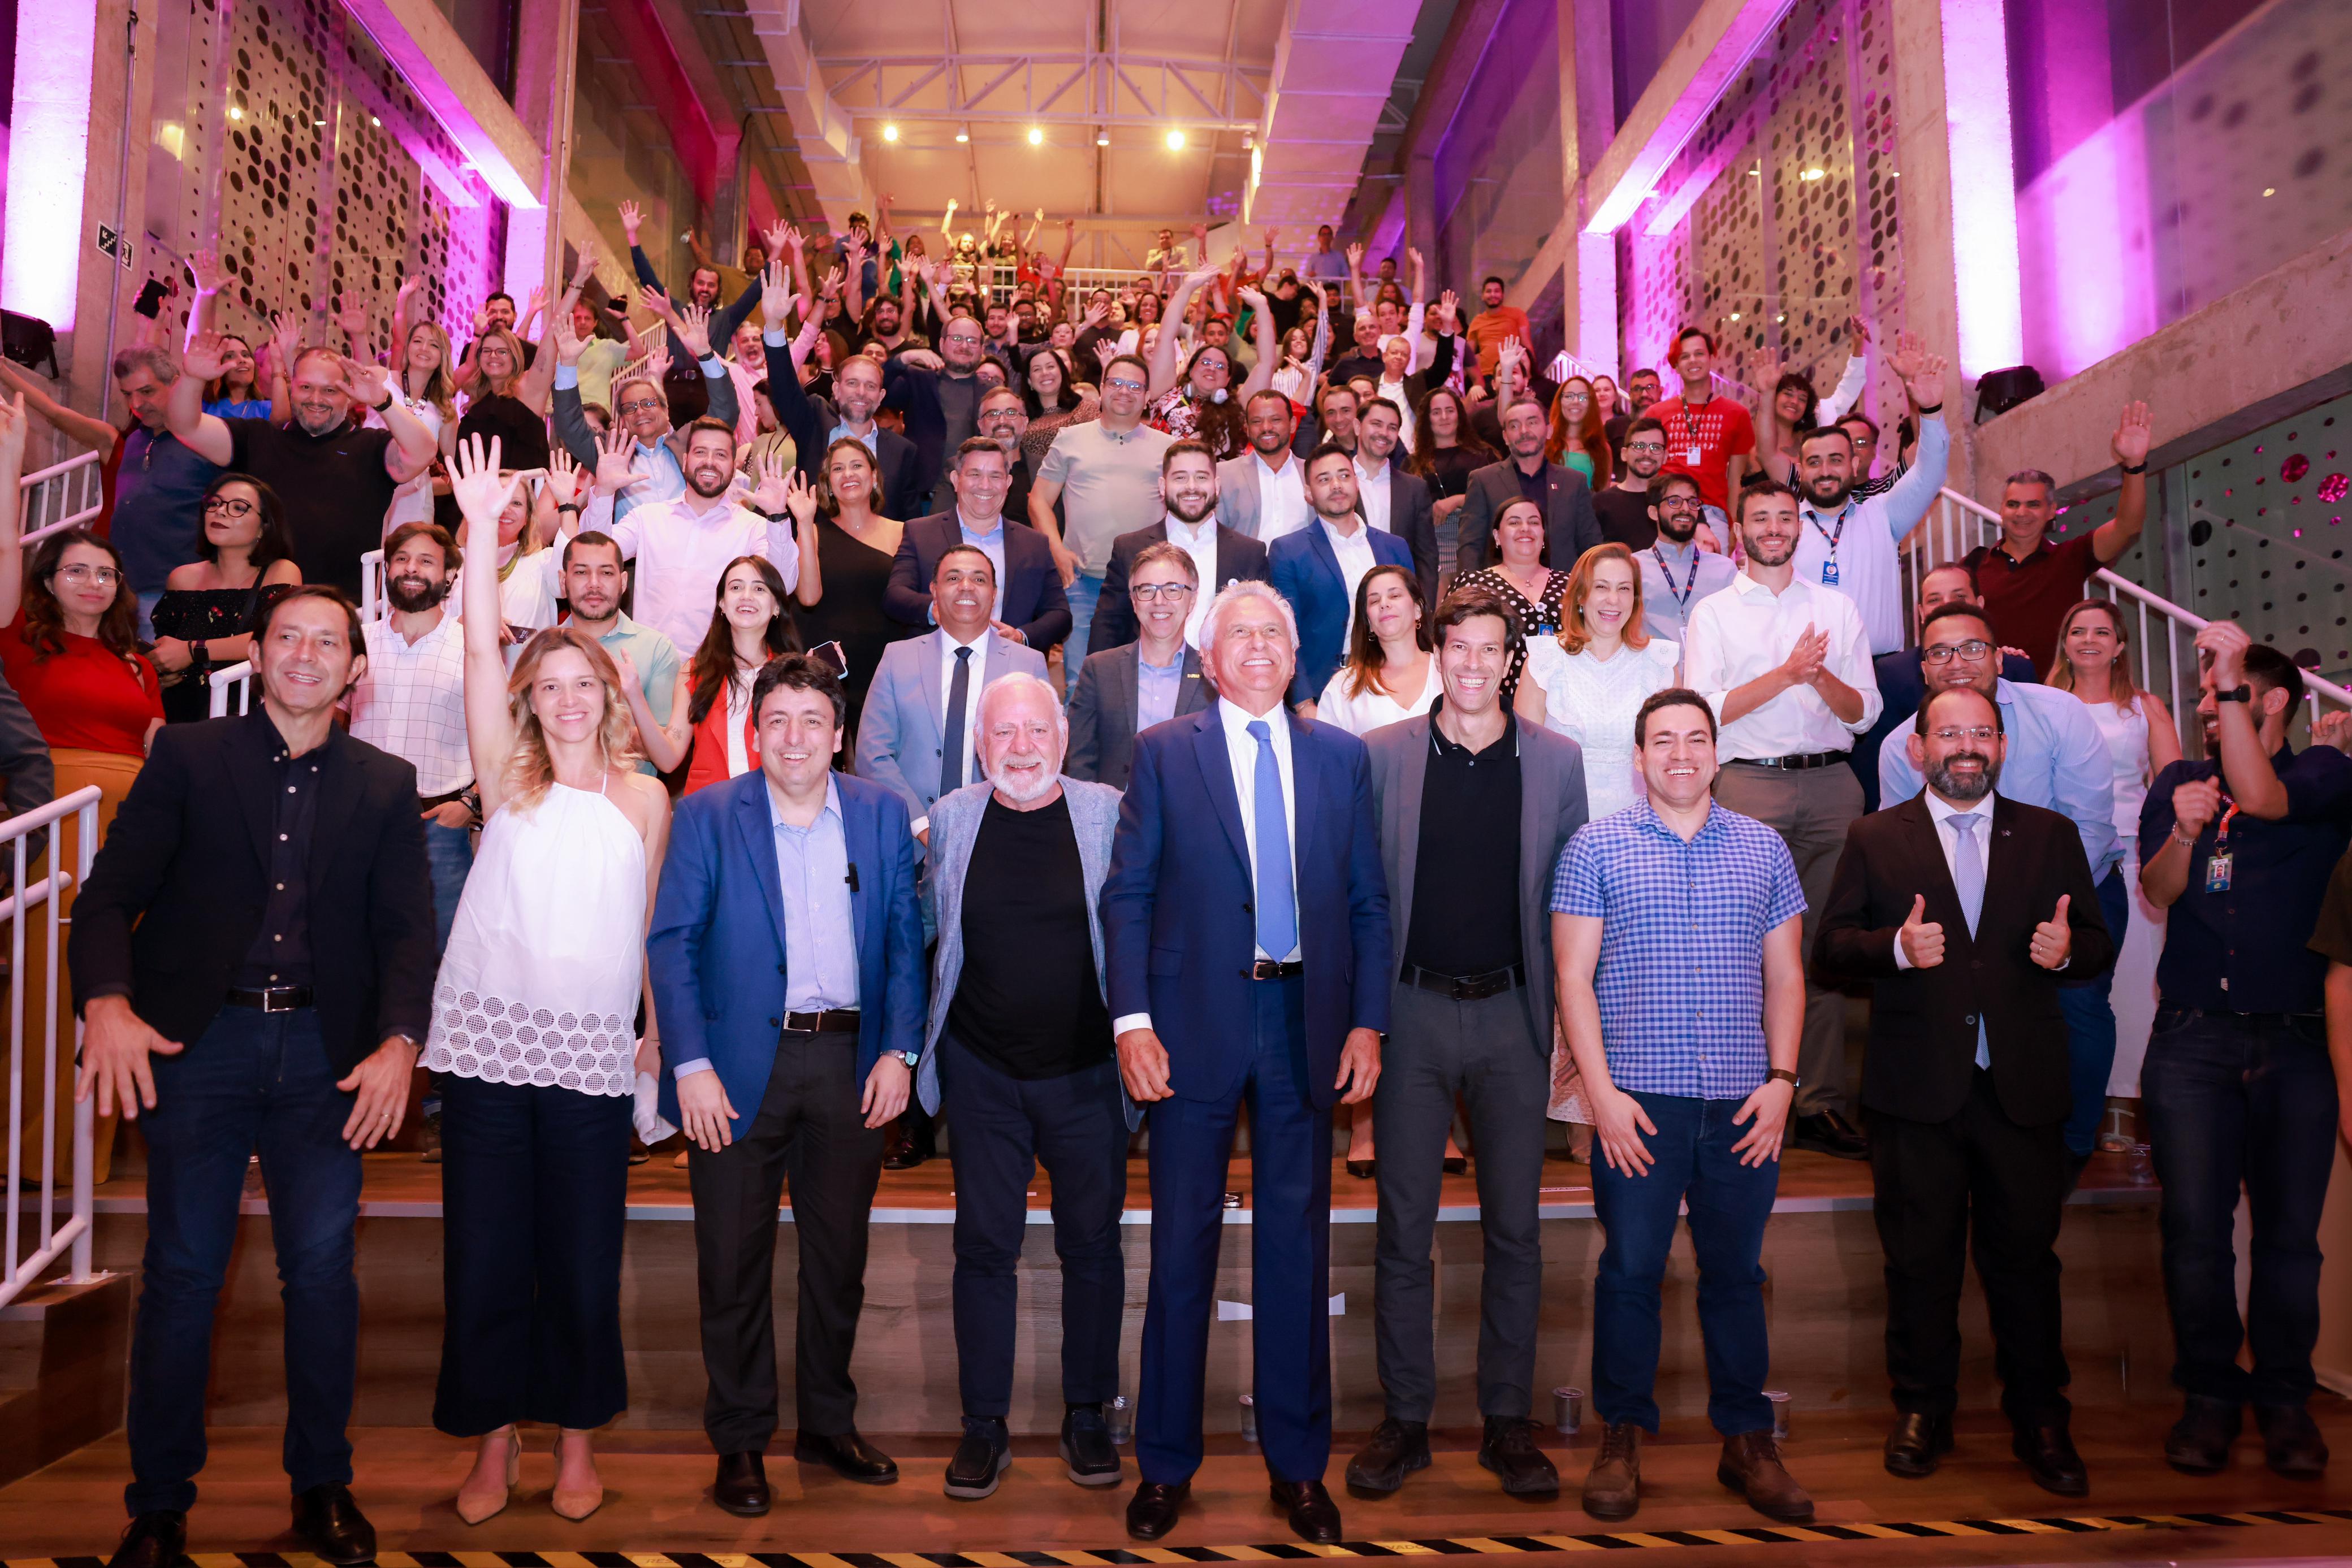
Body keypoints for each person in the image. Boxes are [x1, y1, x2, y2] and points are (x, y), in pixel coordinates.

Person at [70, 587, 435, 1568]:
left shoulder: (387, 781)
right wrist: (106, 999)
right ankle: (157, 1504)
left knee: (321, 1274)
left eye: (329, 641)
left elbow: (409, 932)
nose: (308, 654)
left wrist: (402, 1040)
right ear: (260, 655)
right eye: (289, 637)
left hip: (329, 1061)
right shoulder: (188, 757)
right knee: (183, 1275)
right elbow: (108, 898)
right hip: (200, 1049)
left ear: (357, 671)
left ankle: (323, 1484)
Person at [1104, 580, 1390, 1546]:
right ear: (1209, 656)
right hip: (1188, 1026)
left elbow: (1367, 903)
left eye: (1273, 631)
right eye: (1240, 634)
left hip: (1305, 1019)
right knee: (1181, 1248)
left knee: (1295, 1250)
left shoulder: (1341, 758)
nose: (1258, 645)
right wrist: (1132, 1020)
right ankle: (1166, 1465)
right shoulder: (1162, 753)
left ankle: (1299, 1464)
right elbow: (1129, 896)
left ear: (1294, 650)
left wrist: (1368, 1024)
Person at [421, 436, 671, 1525]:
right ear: (532, 698)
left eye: (586, 681)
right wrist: (481, 528)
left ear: (610, 691)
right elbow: (479, 649)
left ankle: (574, 1444)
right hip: (485, 1046)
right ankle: (491, 1446)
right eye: (551, 683)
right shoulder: (504, 768)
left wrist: (654, 1034)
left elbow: (652, 925)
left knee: (579, 1255)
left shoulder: (646, 795)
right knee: (484, 1251)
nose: (568, 697)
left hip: (588, 1056)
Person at [1814, 683, 2115, 1497]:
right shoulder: (1876, 836)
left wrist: (2068, 952)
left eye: (1982, 732)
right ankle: (1922, 1409)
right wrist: (1897, 950)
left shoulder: (2050, 835)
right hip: (1916, 1092)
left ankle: (2041, 1418)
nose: (1967, 747)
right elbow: (1831, 950)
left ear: (2003, 745)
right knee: (1919, 1262)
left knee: (2027, 1263)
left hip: (2022, 1089)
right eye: (1950, 733)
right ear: (1919, 746)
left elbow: (2095, 943)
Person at [648, 653, 926, 1515]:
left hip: (849, 1064)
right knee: (731, 1264)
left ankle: (826, 1425)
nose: (796, 737)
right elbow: (672, 943)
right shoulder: (706, 814)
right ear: (752, 731)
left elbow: (905, 938)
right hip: (732, 1075)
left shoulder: (883, 814)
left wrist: (901, 1052)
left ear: (839, 735)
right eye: (778, 721)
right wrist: (687, 1064)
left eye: (813, 720)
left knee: (838, 1261)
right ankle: (739, 1440)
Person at [1347, 587, 1588, 1501]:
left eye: (1493, 648)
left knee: (1514, 1229)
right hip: (1411, 1015)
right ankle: (1404, 1420)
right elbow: (1364, 896)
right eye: (1460, 647)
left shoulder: (1559, 764)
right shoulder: (1382, 757)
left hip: (1512, 1017)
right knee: (1403, 1227)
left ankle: (1507, 1421)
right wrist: (1363, 1016)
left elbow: (1571, 907)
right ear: (1437, 653)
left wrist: (1570, 1024)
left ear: (1510, 660)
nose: (1475, 663)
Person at [1553, 687, 1810, 1524]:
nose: (1680, 754)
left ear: (1716, 751)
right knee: (1630, 1272)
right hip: (1639, 1104)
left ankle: (1747, 1440)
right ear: (1639, 756)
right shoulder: (1594, 846)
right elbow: (1571, 982)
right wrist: (1602, 1099)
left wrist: (1782, 1081)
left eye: (1696, 739)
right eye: (1662, 740)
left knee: (1737, 1273)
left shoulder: (1765, 848)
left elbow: (1787, 976)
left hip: (1743, 1100)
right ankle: (1622, 1435)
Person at [2139, 623, 2346, 1480]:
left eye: (2224, 693)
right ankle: (2211, 1396)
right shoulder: (2182, 783)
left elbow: (2260, 799)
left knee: (2291, 1239)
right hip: (2193, 1039)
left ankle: (2287, 1399)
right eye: (2204, 697)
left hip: (2296, 1043)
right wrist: (2183, 833)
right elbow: (2156, 892)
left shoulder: (2326, 773)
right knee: (2196, 1232)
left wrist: (2229, 674)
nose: (2208, 711)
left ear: (2272, 701)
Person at [916, 674, 1130, 1500]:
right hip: (982, 1071)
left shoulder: (1107, 811)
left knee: (1093, 1248)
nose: (1020, 747)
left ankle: (1086, 1411)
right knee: (983, 1248)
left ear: (1062, 737)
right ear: (981, 744)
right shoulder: (953, 816)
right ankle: (984, 1424)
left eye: (1034, 731)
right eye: (1002, 733)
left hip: (1085, 1072)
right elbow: (925, 929)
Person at [1878, 603, 2120, 1160]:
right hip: (1957, 900)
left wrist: (2017, 910)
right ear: (1922, 668)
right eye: (1938, 651)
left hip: (2071, 891)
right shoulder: (1901, 746)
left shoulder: (2057, 713)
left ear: (1997, 656)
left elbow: (2088, 826)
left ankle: (2072, 1146)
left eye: (1971, 648)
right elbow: (1901, 844)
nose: (1956, 662)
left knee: (2078, 1008)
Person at [1683, 482, 1880, 1160]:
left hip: (1830, 784)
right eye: (1760, 517)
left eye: (1784, 516)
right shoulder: (1712, 613)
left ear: (1800, 526)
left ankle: (1818, 1101)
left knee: (1822, 946)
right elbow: (1703, 711)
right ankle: (1742, 1092)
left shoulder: (1835, 605)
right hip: (1745, 784)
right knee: (1740, 949)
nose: (1774, 527)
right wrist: (1788, 671)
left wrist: (1817, 676)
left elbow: (1864, 712)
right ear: (1738, 530)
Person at [0, 513, 166, 1188]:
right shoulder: (20, 641)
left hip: (130, 823)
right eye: (76, 570)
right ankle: (28, 1152)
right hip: (58, 817)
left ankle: (83, 1154)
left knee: (112, 982)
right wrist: (11, 461)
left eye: (105, 572)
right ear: (46, 581)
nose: (94, 582)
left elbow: (150, 736)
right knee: (50, 981)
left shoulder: (134, 661)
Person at [170, 336, 439, 597]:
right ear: (292, 386)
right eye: (306, 388)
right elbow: (186, 426)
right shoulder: (257, 438)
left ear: (349, 395)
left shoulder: (372, 447)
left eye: (330, 390)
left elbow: (424, 452)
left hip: (340, 615)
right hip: (261, 614)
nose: (316, 399)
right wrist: (192, 379)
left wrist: (383, 401)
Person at [2048, 599, 2179, 1126]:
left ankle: (2124, 1103)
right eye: (2077, 630)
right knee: (2074, 983)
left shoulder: (2145, 707)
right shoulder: (2045, 702)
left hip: (2132, 854)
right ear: (2065, 642)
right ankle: (2071, 1096)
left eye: (2102, 632)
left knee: (2133, 978)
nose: (2088, 640)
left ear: (2120, 645)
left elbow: (2170, 783)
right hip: (2060, 855)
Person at [855, 546, 1050, 840]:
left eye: (980, 579)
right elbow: (873, 754)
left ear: (994, 594)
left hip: (1000, 837)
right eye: (953, 578)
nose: (967, 587)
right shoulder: (898, 658)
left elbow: (1041, 754)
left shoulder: (1028, 663)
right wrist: (921, 826)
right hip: (910, 841)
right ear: (934, 590)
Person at [348, 522, 473, 951]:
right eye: (401, 559)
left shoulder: (474, 646)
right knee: (352, 949)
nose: (411, 568)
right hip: (356, 822)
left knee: (439, 955)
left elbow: (507, 737)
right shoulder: (356, 644)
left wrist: (469, 804)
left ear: (449, 576)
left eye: (425, 560)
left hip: (439, 828)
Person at [1783, 339, 1951, 655]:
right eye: (1814, 462)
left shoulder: (1884, 513)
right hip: (1807, 675)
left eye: (1836, 459)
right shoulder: (1784, 530)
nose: (1825, 471)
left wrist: (1930, 411)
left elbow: (1931, 472)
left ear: (1855, 464)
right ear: (1801, 471)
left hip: (1882, 670)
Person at [581, 418, 801, 653]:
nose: (709, 462)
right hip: (647, 665)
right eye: (700, 452)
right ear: (685, 460)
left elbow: (784, 584)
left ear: (732, 466)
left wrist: (777, 516)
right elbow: (592, 555)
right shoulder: (647, 518)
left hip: (715, 672)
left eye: (720, 455)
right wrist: (604, 491)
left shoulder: (753, 527)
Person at [1967, 404, 2154, 675]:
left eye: (2033, 504)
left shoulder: (2070, 558)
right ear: (2001, 509)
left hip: (2058, 694)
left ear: (2051, 511)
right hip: (1995, 695)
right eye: (2013, 504)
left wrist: (2135, 465)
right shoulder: (1974, 564)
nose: (2021, 513)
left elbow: (2128, 526)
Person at [1853, 563, 2039, 812]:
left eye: (1959, 596)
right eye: (1934, 599)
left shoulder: (2040, 699)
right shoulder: (1898, 735)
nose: (1957, 665)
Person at [1030, 354, 1177, 667]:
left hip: (1152, 589)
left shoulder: (1168, 448)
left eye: (1135, 386)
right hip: (1085, 582)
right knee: (1080, 683)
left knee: (1151, 680)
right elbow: (1039, 500)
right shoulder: (1070, 439)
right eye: (1117, 383)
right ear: (1101, 388)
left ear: (1147, 396)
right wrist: (1056, 549)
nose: (1125, 391)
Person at [1520, 544, 1681, 821]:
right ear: (1581, 595)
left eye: (1624, 589)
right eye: (1602, 587)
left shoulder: (1661, 664)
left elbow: (1676, 755)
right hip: (1561, 821)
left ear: (1635, 598)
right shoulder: (1544, 661)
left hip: (1643, 827)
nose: (1614, 601)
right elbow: (1525, 759)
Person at [553, 310, 742, 525]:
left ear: (665, 409)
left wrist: (705, 354)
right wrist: (567, 365)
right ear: (622, 419)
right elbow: (570, 426)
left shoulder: (690, 440)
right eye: (630, 408)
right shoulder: (609, 452)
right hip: (634, 555)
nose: (640, 412)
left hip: (695, 545)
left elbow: (726, 410)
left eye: (649, 403)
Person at [1270, 444, 1416, 714]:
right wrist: (1303, 702)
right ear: (1308, 493)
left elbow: (1414, 620)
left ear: (1356, 483)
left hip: (1394, 683)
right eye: (1324, 479)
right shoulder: (1288, 551)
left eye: (1344, 476)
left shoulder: (1394, 547)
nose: (1336, 485)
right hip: (1322, 692)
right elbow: (1284, 631)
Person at [885, 439, 1071, 651]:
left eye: (995, 476)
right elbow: (895, 596)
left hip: (1010, 668)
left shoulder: (1034, 543)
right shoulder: (920, 533)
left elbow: (1060, 614)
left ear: (1008, 483)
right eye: (975, 475)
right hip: (934, 661)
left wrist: (1021, 637)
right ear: (956, 480)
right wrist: (935, 609)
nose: (985, 485)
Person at [149, 474, 302, 725]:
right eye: (215, 504)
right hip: (184, 712)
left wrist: (192, 651)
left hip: (247, 712)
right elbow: (166, 650)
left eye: (239, 508)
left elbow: (278, 639)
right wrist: (161, 668)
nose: (220, 512)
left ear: (264, 527)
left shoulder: (281, 572)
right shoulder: (182, 578)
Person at [1096, 441, 1270, 653]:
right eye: (1180, 477)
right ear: (1163, 486)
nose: (1191, 486)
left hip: (1224, 682)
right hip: (1150, 680)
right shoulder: (1130, 549)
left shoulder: (1250, 553)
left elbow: (1263, 628)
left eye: (1201, 477)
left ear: (1216, 486)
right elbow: (1108, 630)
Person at [1067, 543, 1213, 789]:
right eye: (1146, 590)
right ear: (1134, 601)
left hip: (1188, 821)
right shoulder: (1099, 670)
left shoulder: (1213, 675)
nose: (1159, 601)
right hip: (1111, 819)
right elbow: (1079, 761)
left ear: (1192, 600)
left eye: (1173, 589)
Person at [546, 530, 686, 781]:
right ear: (562, 580)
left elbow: (663, 751)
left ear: (623, 582)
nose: (594, 583)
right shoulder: (542, 649)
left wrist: (573, 725)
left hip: (630, 803)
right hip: (552, 798)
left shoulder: (656, 648)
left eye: (606, 573)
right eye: (581, 572)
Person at [791, 437, 903, 726]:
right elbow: (807, 597)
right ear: (828, 484)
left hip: (886, 666)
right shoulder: (813, 532)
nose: (849, 474)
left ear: (874, 476)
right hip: (832, 666)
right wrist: (804, 522)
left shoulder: (905, 533)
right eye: (838, 469)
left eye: (857, 466)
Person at [671, 553, 803, 794]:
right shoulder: (694, 670)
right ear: (722, 602)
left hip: (775, 805)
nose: (746, 596)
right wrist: (634, 694)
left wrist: (819, 682)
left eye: (760, 589)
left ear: (776, 607)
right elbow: (669, 756)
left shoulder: (794, 674)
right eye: (736, 587)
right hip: (708, 808)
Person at [1454, 397, 1602, 579]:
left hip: (1563, 595)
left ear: (1549, 430)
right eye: (1514, 426)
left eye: (1532, 423)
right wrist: (1471, 596)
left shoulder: (1574, 482)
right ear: (1505, 437)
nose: (1524, 431)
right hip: (1501, 597)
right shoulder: (1483, 480)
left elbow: (1591, 545)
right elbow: (1470, 546)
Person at [1453, 497, 1568, 704]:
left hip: (1565, 700)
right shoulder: (1474, 584)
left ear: (1543, 534)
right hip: (1495, 700)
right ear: (1497, 535)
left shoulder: (1571, 584)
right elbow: (1451, 643)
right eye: (1514, 523)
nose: (1525, 528)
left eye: (1534, 522)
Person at [1646, 329, 1752, 552]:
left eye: (1699, 354)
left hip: (1714, 515)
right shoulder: (1657, 413)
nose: (1693, 361)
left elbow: (1735, 481)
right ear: (1675, 365)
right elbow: (1651, 476)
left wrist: (1734, 526)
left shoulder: (1737, 414)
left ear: (1711, 357)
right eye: (1685, 356)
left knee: (1715, 584)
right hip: (1669, 512)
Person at [1314, 565, 1440, 735]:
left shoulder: (1447, 671)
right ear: (1369, 622)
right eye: (1374, 601)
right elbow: (1328, 754)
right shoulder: (1343, 686)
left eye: (1394, 595)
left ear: (1418, 610)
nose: (1384, 604)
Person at [1354, 396, 1439, 608]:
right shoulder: (1338, 485)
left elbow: (1426, 557)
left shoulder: (1415, 489)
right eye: (1376, 424)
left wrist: (1423, 608)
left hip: (1400, 604)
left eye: (1392, 427)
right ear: (1357, 426)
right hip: (1348, 599)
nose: (1384, 433)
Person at [1410, 385, 1499, 586]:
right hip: (1433, 545)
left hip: (1478, 541)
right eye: (1436, 412)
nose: (1444, 417)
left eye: (1450, 410)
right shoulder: (1413, 463)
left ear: (1460, 414)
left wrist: (1458, 500)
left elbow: (1500, 498)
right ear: (1427, 419)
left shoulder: (1484, 455)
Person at [1634, 472, 1737, 647]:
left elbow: (1736, 628)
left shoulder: (1724, 569)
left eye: (1692, 502)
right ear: (1654, 512)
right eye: (1674, 502)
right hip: (1651, 669)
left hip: (1710, 670)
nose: (1685, 509)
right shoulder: (1634, 567)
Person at [1215, 389, 1313, 544]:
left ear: (1293, 424)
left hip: (1305, 568)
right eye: (1257, 421)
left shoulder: (1312, 473)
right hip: (1246, 568)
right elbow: (1214, 536)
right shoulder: (1223, 475)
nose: (1266, 427)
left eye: (1276, 420)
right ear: (1247, 428)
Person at [1593, 416, 1667, 549]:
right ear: (1624, 454)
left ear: (1665, 456)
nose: (1647, 453)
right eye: (1639, 446)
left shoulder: (1675, 501)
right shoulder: (1601, 502)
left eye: (1656, 448)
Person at [1544, 378, 1613, 487]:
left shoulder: (1602, 449)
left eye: (1583, 397)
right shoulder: (1544, 442)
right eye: (1569, 396)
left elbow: (1602, 498)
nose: (1576, 402)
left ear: (1591, 403)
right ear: (1560, 401)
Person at [1463, 276, 1530, 383]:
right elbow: (1468, 354)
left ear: (1503, 295)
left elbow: (1527, 346)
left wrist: (1530, 375)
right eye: (1489, 291)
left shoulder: (1517, 314)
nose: (1493, 295)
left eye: (1497, 291)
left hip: (1513, 371)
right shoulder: (1477, 321)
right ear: (1482, 296)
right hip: (1485, 376)